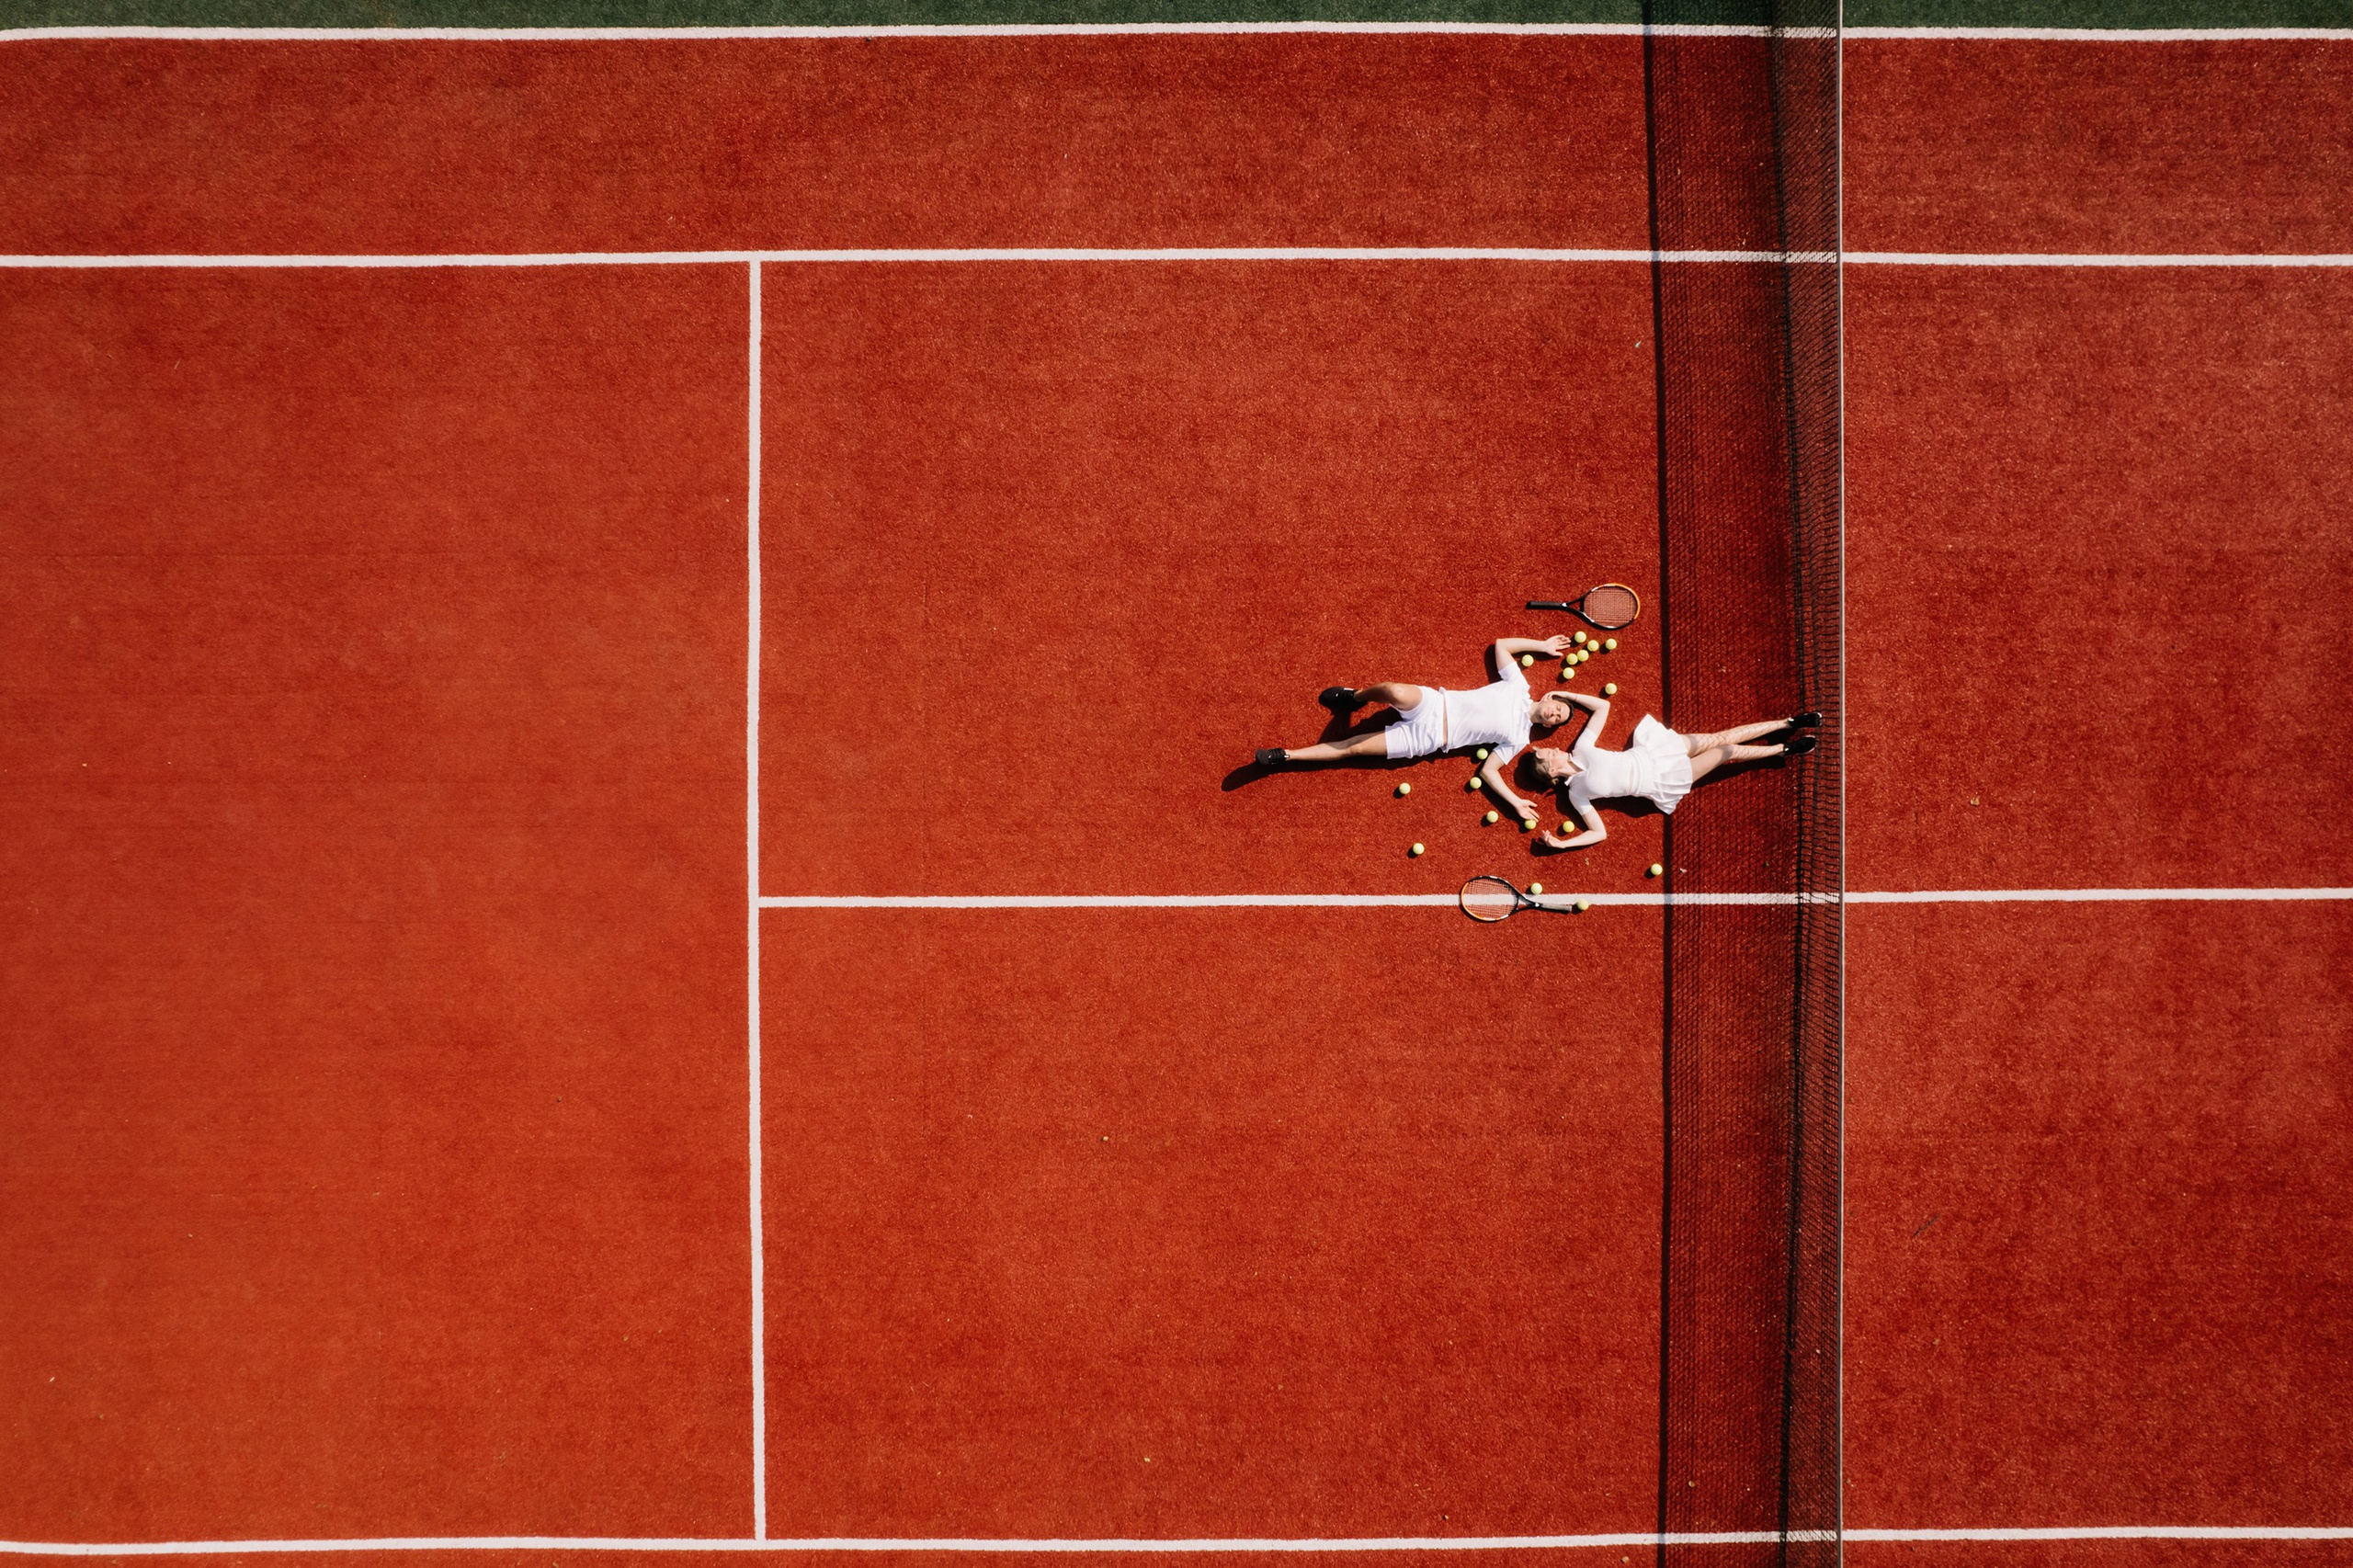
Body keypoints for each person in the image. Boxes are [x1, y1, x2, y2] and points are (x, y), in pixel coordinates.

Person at [1255, 636, 1579, 826]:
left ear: (1547, 726)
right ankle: (1355, 698)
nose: (1554, 714)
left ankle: (1286, 756)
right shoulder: (1519, 686)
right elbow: (1502, 645)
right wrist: (1541, 646)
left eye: (1556, 719)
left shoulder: (1519, 738)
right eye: (1558, 708)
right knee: (1393, 690)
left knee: (1354, 748)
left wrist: (1515, 802)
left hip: (1429, 739)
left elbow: (1489, 771)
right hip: (1434, 705)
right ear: (1549, 698)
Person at [1531, 690, 1820, 849]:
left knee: (1720, 738)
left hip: (1656, 751)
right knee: (1727, 752)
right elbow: (1598, 833)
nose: (1554, 748)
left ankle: (1789, 722)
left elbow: (1602, 707)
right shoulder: (1577, 794)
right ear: (1551, 771)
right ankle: (1783, 750)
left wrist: (1565, 695)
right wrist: (1563, 845)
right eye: (1549, 753)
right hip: (1662, 779)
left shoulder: (1581, 748)